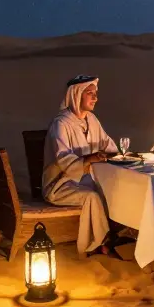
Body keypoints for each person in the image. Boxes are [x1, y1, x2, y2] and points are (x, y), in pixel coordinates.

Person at [42, 74, 119, 255]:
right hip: (60, 185)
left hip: (85, 179)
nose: (95, 98)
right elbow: (63, 160)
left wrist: (111, 154)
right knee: (91, 196)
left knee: (113, 189)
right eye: (90, 93)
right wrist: (89, 159)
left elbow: (109, 145)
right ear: (76, 95)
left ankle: (122, 232)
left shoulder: (91, 120)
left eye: (95, 94)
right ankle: (99, 243)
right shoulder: (61, 124)